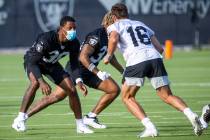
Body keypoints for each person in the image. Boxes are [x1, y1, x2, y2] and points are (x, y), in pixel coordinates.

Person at [103, 3, 203, 137]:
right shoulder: (140, 24)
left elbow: (114, 38)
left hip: (136, 60)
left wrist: (109, 55)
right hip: (155, 58)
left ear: (114, 17)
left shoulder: (114, 26)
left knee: (127, 97)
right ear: (127, 14)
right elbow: (160, 48)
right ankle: (191, 114)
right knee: (167, 95)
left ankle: (150, 127)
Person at [24, 12, 123, 129]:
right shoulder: (96, 35)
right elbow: (82, 57)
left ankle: (91, 117)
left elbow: (109, 55)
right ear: (110, 23)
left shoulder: (111, 36)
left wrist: (123, 71)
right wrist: (98, 72)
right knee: (56, 97)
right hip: (78, 68)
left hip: (89, 71)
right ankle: (24, 117)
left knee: (114, 89)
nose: (121, 27)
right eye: (119, 23)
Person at [12, 16, 93, 134]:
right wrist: (42, 82)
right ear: (61, 29)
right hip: (34, 62)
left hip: (51, 65)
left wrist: (79, 80)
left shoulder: (74, 42)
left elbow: (74, 64)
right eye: (70, 28)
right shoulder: (46, 38)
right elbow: (33, 62)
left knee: (71, 89)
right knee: (34, 84)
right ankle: (19, 119)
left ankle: (80, 125)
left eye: (74, 28)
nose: (73, 31)